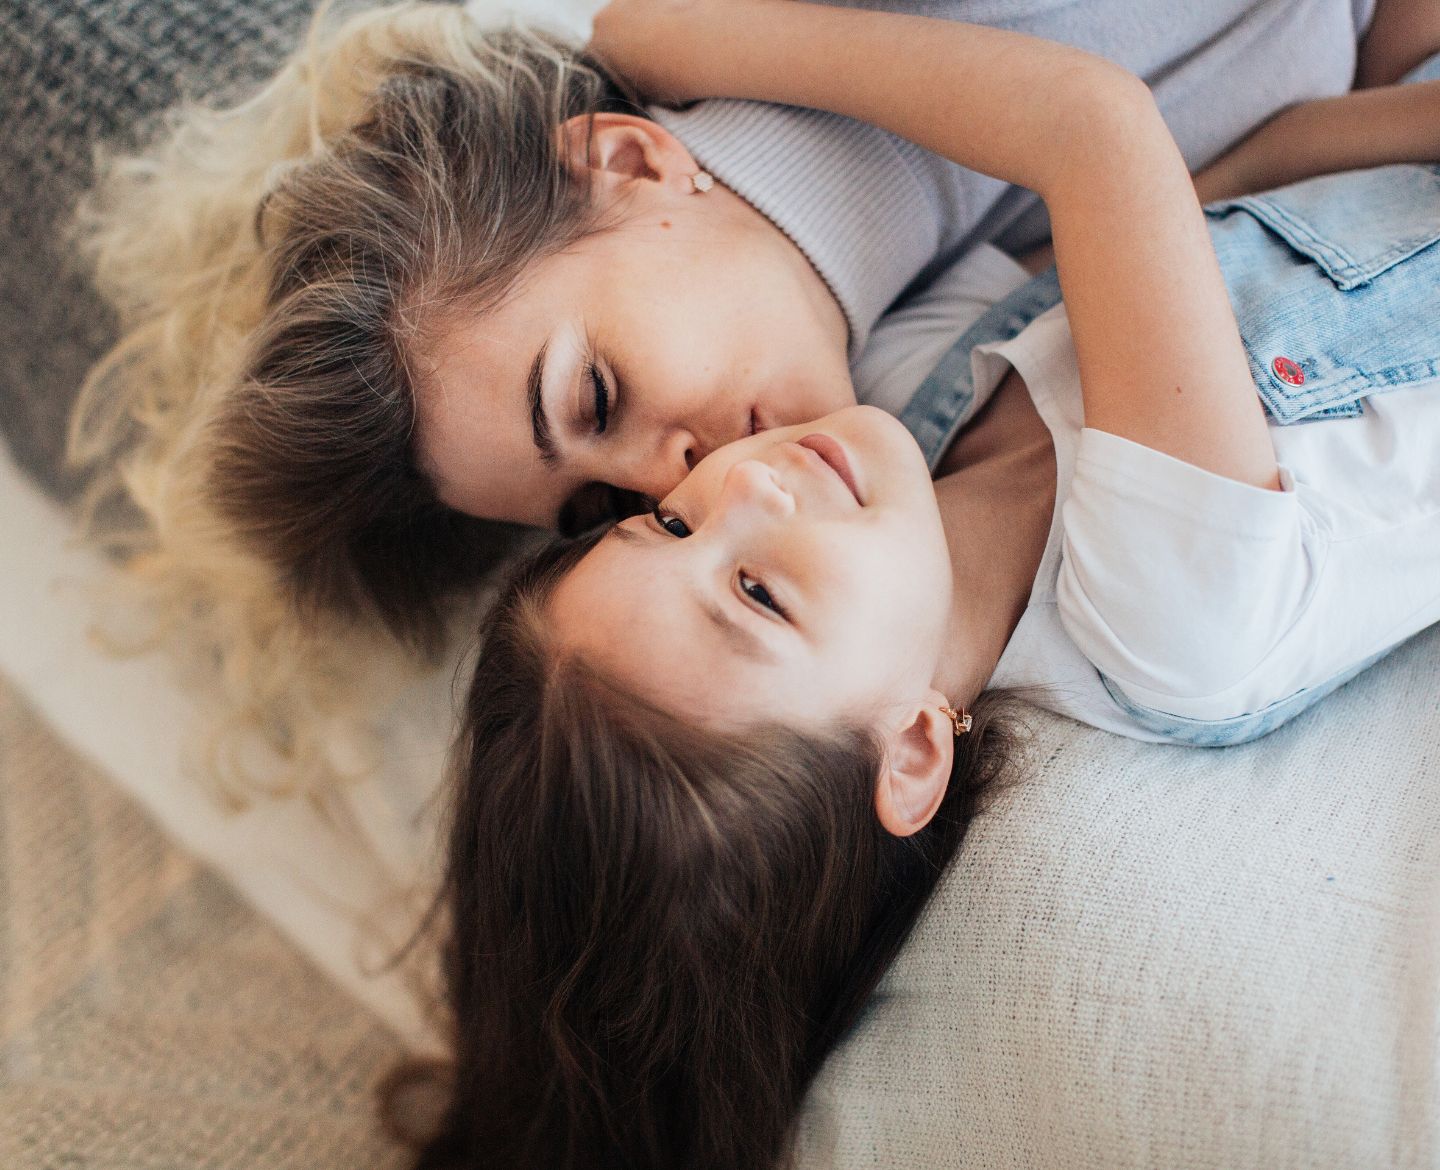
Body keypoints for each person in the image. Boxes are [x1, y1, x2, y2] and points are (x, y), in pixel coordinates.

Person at [407, 4, 1440, 1166]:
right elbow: (1096, 129)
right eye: (758, 596)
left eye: (666, 522)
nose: (740, 487)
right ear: (908, 751)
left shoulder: (901, 389)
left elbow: (1237, 171)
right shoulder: (1167, 615)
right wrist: (648, 34)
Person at [70, 0, 1375, 661]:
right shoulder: (924, 365)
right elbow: (1288, 156)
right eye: (600, 509)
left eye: (591, 398)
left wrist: (651, 25)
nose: (673, 474)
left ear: (630, 163)